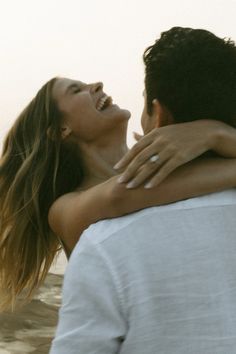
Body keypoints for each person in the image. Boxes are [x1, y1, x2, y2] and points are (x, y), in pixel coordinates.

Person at [1, 31, 236, 314]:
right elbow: (120, 195)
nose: (96, 84)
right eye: (76, 90)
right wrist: (215, 134)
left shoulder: (176, 169)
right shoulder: (65, 209)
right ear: (62, 130)